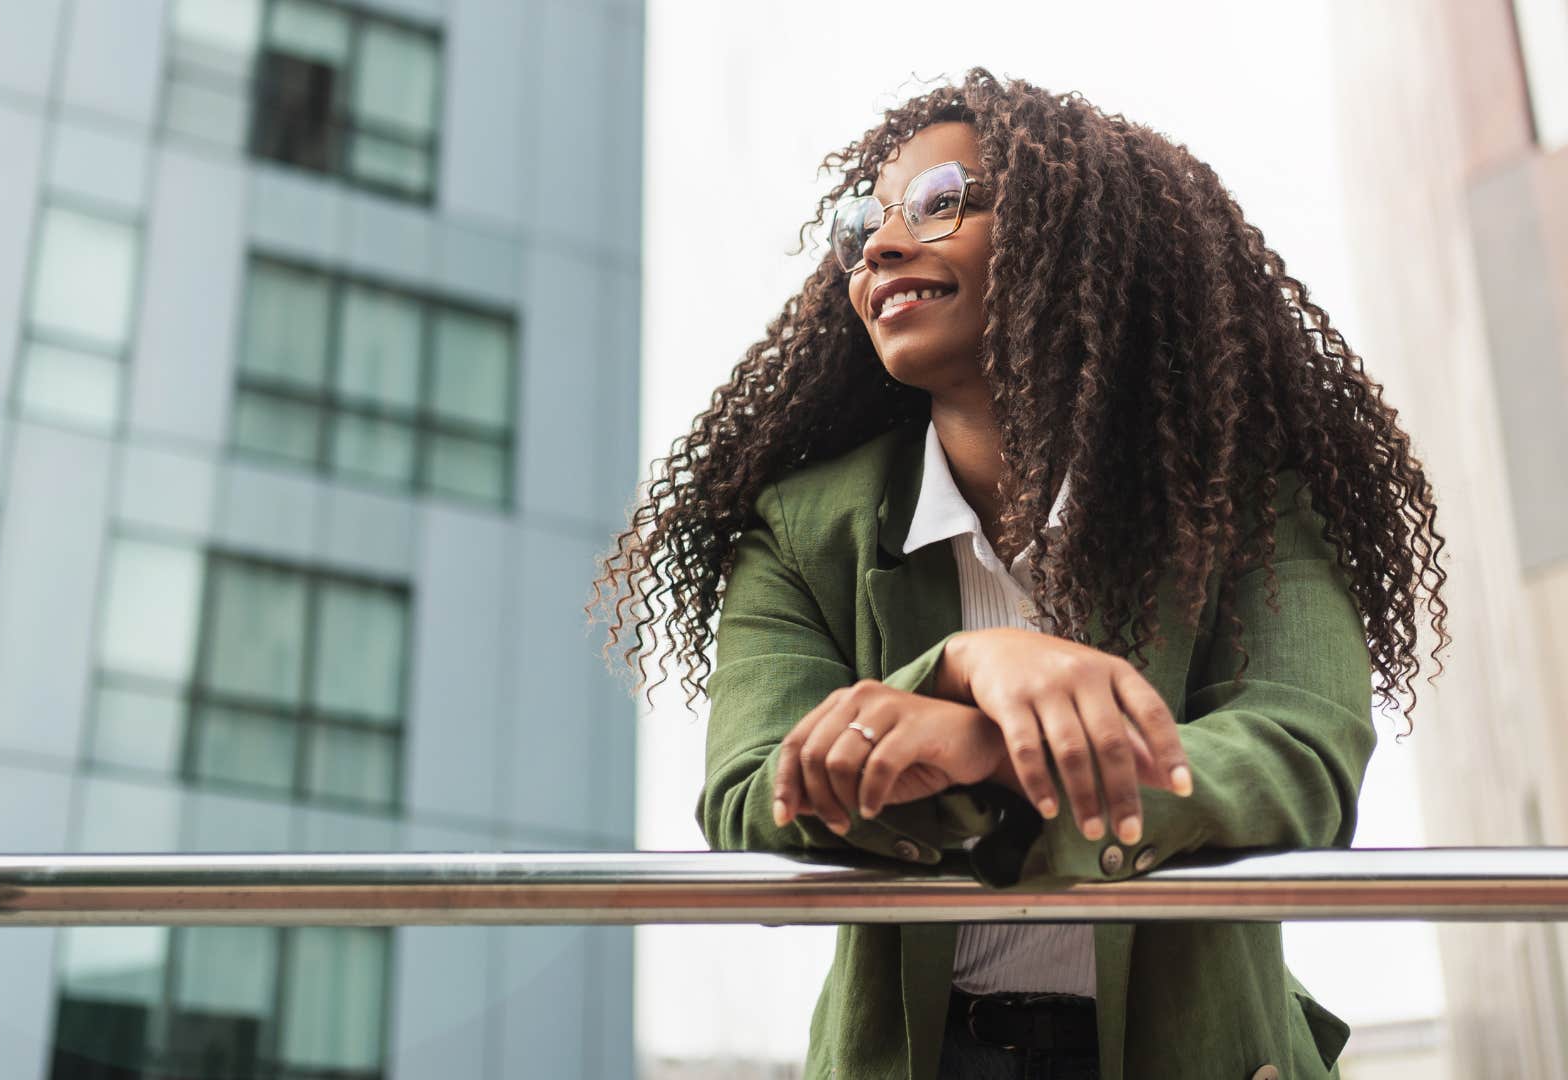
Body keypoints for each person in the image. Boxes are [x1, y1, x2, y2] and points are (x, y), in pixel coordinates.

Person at [589, 67, 1451, 1080]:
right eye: (862, 224)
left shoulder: (1244, 502)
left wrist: (987, 750)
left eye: (941, 203)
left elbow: (1296, 764)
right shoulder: (796, 529)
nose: (880, 244)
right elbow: (751, 809)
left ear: (1070, 238)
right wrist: (959, 665)